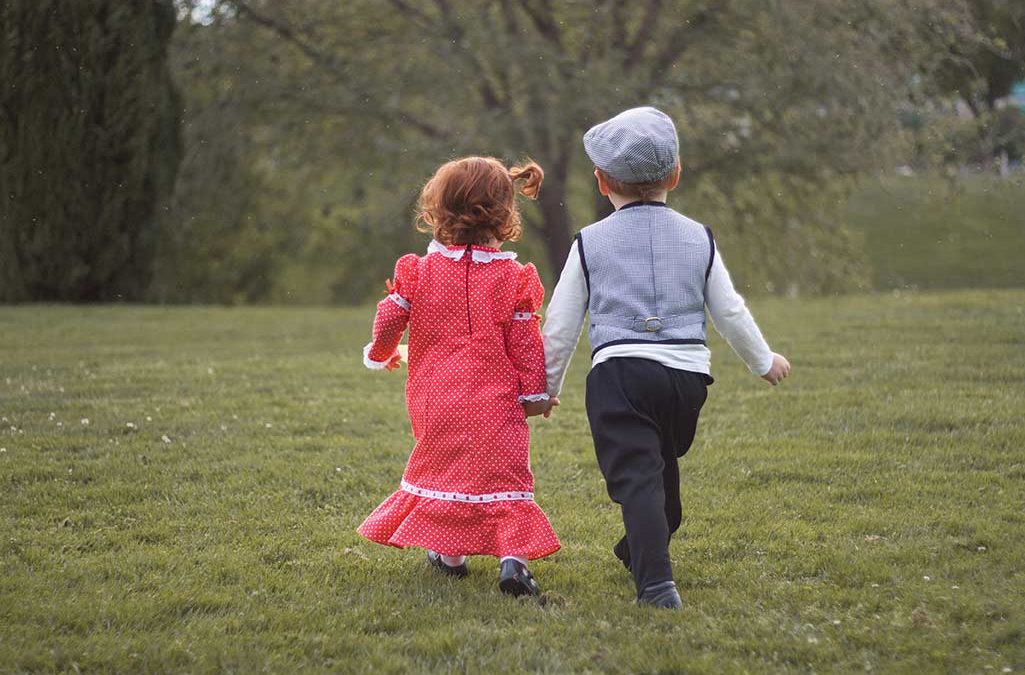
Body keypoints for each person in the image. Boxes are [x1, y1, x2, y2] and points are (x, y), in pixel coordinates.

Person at [542, 107, 790, 609]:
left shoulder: (589, 243)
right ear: (675, 175)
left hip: (620, 377)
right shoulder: (699, 237)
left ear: (601, 181)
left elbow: (561, 326)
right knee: (657, 476)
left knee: (640, 478)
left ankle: (656, 584)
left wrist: (545, 388)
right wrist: (762, 361)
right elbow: (729, 311)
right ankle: (642, 546)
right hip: (685, 380)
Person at [358, 156, 560, 599]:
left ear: (439, 211)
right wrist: (535, 396)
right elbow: (527, 344)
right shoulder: (513, 278)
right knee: (504, 479)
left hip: (435, 401)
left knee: (445, 473)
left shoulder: (419, 272)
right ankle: (514, 562)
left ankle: (450, 558)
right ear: (505, 214)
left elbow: (389, 318)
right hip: (496, 403)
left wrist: (380, 353)